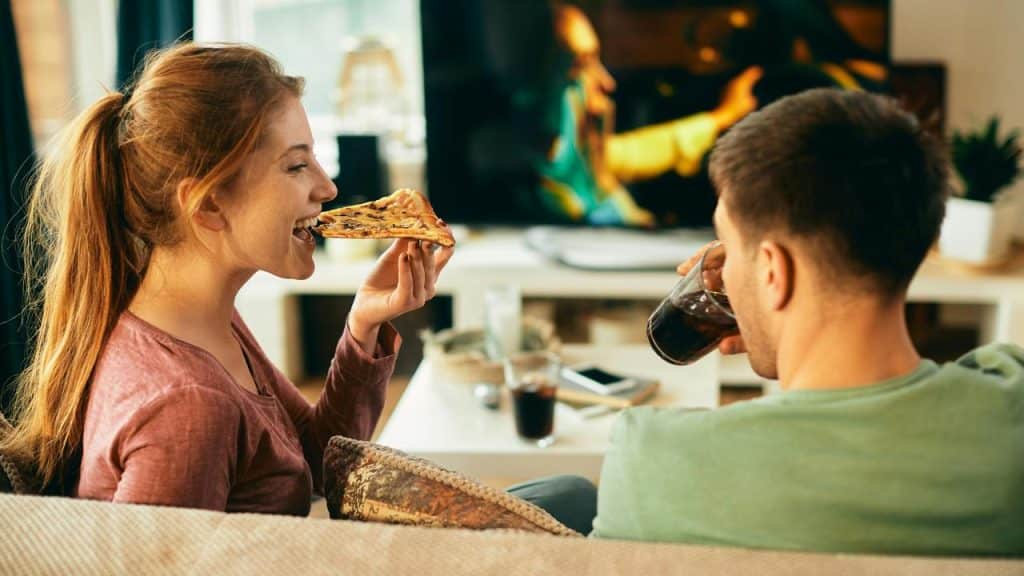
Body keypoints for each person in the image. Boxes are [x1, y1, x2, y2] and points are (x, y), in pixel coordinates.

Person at [0, 43, 454, 515]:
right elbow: (162, 557)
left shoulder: (196, 322)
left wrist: (362, 325)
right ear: (211, 205)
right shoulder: (187, 406)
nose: (328, 187)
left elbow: (316, 460)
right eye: (297, 165)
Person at [591, 89, 1024, 555]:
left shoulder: (653, 458)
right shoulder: (1011, 407)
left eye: (728, 245)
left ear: (773, 272)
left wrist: (763, 305)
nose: (723, 268)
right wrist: (770, 310)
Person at [537, 3, 761, 226]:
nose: (606, 82)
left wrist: (720, 118)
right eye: (580, 65)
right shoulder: (556, 197)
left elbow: (623, 155)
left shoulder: (577, 162)